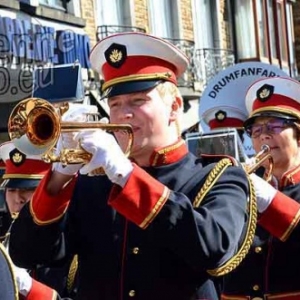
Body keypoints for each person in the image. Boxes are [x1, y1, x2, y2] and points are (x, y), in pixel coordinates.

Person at [9, 32, 254, 300]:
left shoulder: (219, 175)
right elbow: (28, 253)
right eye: (115, 104)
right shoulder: (93, 182)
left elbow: (214, 248)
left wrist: (126, 175)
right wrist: (59, 178)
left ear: (174, 106)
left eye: (138, 101)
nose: (124, 113)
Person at [222, 76, 300, 299]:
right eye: (255, 130)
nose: (264, 135)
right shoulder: (242, 185)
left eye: (274, 126)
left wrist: (271, 201)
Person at [0, 141, 77, 299]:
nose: (17, 199)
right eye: (12, 190)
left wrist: (29, 288)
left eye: (29, 189)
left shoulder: (73, 244)